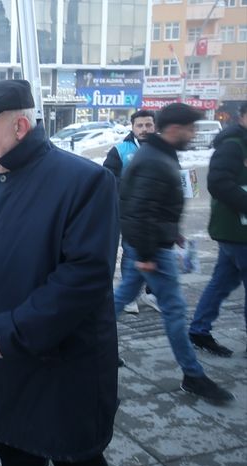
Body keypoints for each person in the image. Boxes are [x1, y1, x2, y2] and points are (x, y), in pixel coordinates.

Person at [0, 80, 120, 466]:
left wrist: (8, 332)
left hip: (66, 368)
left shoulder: (86, 181)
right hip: (6, 364)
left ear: (20, 125)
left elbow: (83, 278)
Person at [114, 103, 234, 402]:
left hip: (152, 243)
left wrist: (174, 231)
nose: (193, 134)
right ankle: (193, 375)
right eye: (190, 128)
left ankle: (79, 335)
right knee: (175, 310)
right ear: (174, 129)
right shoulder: (154, 159)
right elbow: (139, 210)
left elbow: (155, 204)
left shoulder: (159, 154)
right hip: (152, 248)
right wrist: (144, 255)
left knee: (120, 298)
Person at [188, 102, 247, 356]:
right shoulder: (233, 145)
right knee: (222, 282)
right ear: (243, 117)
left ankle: (199, 330)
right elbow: (218, 183)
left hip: (233, 230)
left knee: (222, 282)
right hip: (237, 230)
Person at [104, 109, 160, 315]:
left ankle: (151, 293)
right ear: (133, 127)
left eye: (148, 125)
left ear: (155, 126)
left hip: (158, 213)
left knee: (157, 252)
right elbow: (108, 178)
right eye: (140, 125)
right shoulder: (120, 150)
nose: (144, 129)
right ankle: (129, 296)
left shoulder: (164, 149)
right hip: (131, 212)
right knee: (131, 252)